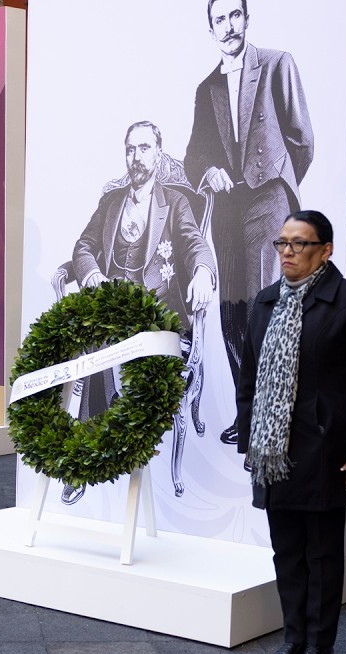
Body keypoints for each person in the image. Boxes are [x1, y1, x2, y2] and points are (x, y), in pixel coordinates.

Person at [236, 209, 346, 654]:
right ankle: (293, 638)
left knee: (322, 552)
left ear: (326, 250)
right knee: (287, 550)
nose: (287, 252)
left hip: (327, 447)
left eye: (299, 244)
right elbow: (250, 379)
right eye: (282, 243)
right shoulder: (264, 302)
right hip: (274, 450)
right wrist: (250, 440)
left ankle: (320, 645)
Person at [185, 0, 314, 446]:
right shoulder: (207, 88)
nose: (228, 26)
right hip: (226, 208)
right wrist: (208, 172)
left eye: (234, 16)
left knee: (265, 305)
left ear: (246, 18)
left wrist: (279, 188)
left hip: (267, 200)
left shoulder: (277, 65)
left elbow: (302, 140)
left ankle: (272, 423)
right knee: (231, 313)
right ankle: (248, 415)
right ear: (211, 29)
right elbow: (193, 155)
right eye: (218, 20)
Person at [70, 120, 217, 498]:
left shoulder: (176, 201)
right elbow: (83, 247)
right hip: (114, 309)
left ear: (158, 152)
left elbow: (195, 243)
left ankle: (118, 428)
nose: (137, 157)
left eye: (145, 148)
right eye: (131, 150)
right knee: (98, 339)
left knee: (114, 345)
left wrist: (202, 270)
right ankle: (88, 455)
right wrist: (92, 278)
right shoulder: (110, 202)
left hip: (158, 317)